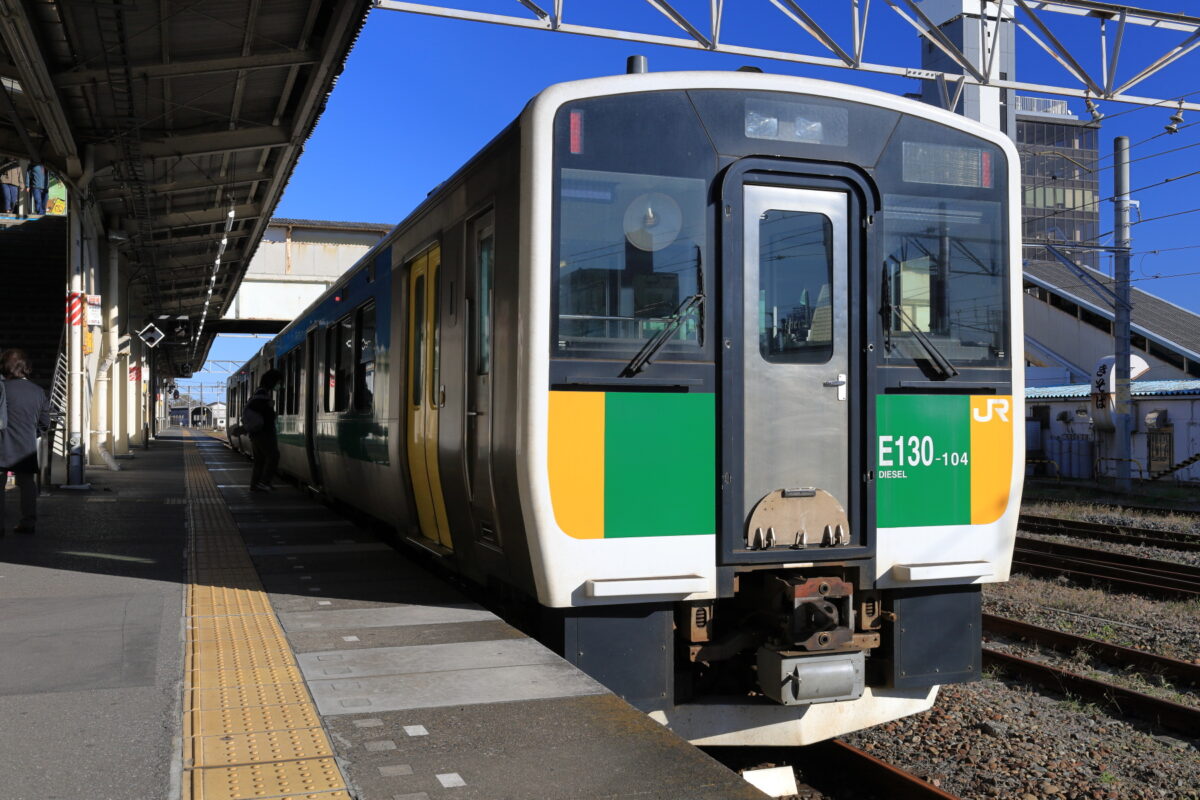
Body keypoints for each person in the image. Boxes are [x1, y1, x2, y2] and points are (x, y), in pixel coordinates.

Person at [0, 349, 49, 534]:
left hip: (1, 444)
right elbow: (45, 422)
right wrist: (31, 433)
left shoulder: (2, 388)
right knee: (27, 483)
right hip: (26, 445)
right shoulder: (37, 391)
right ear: (26, 368)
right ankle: (28, 522)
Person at [244, 369, 281, 492]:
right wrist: (272, 411)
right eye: (276, 382)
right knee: (273, 456)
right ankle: (264, 482)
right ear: (271, 382)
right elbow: (267, 416)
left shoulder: (257, 394)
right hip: (264, 432)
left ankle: (254, 485)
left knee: (259, 460)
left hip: (256, 432)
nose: (277, 385)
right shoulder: (263, 396)